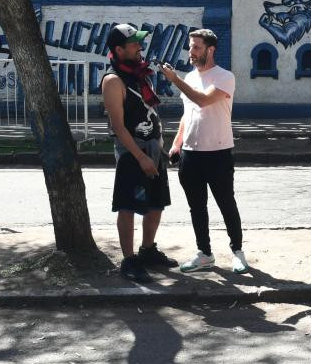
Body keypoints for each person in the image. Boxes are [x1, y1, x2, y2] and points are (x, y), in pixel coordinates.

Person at [160, 28, 249, 274]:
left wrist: (174, 79)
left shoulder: (224, 77)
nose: (191, 52)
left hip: (218, 153)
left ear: (210, 50)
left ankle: (238, 252)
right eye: (190, 47)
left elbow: (202, 100)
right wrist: (177, 143)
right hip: (191, 154)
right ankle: (204, 254)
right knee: (196, 207)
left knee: (226, 203)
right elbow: (188, 113)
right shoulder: (189, 78)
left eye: (196, 47)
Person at [101, 23, 176, 283]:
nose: (140, 47)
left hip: (153, 148)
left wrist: (160, 146)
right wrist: (140, 156)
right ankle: (129, 259)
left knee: (156, 203)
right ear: (119, 49)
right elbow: (118, 127)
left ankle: (147, 250)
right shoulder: (113, 81)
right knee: (128, 206)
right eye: (134, 44)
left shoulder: (139, 74)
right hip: (132, 153)